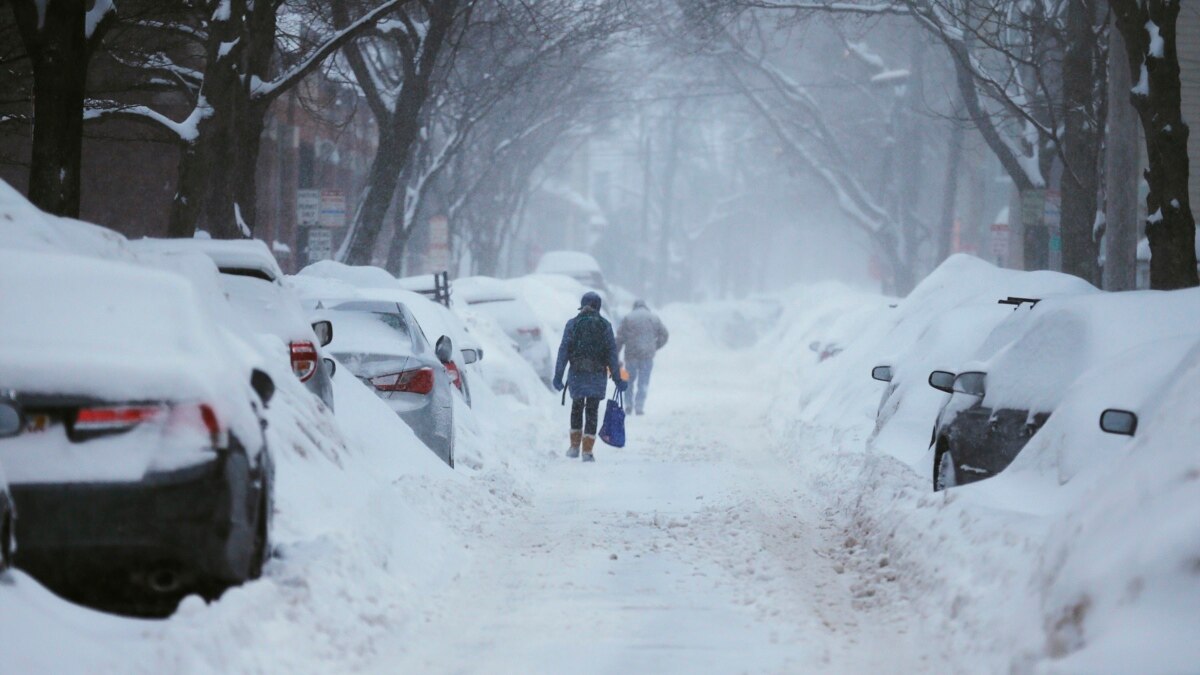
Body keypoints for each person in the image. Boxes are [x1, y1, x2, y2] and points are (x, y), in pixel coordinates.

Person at [553, 291, 626, 462]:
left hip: (577, 374)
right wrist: (617, 378)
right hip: (596, 375)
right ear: (598, 306)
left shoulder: (572, 324)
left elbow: (563, 351)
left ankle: (573, 447)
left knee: (576, 408)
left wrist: (558, 375)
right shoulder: (605, 325)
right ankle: (587, 451)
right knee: (592, 411)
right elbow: (611, 355)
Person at [616, 299, 668, 415]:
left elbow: (620, 338)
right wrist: (655, 346)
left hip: (631, 355)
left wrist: (615, 354)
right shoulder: (654, 318)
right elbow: (664, 335)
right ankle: (639, 406)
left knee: (629, 381)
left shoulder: (628, 318)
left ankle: (628, 405)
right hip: (647, 356)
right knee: (643, 382)